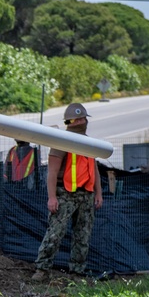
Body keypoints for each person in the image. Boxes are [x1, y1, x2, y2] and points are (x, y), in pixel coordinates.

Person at [31, 103, 103, 281]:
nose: (81, 121)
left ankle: (77, 271)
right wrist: (52, 197)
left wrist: (98, 194)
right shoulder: (61, 141)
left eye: (83, 118)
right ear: (69, 122)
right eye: (77, 119)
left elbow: (94, 170)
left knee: (82, 234)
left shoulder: (88, 142)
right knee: (55, 233)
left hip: (85, 195)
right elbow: (52, 172)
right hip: (65, 194)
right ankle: (42, 269)